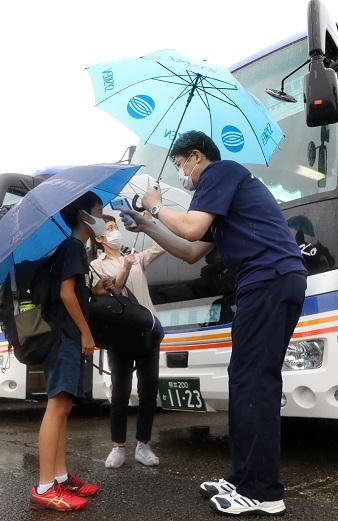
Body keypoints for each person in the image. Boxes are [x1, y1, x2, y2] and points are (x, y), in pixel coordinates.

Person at [124, 130, 307, 517]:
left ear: (195, 157)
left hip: (268, 278)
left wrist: (156, 207)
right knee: (244, 380)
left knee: (255, 381)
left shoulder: (220, 172)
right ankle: (241, 477)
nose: (181, 177)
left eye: (180, 167)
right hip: (265, 282)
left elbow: (189, 227)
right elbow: (191, 250)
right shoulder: (222, 194)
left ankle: (264, 491)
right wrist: (146, 226)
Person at [30, 191, 110, 512]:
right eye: (99, 212)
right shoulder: (74, 247)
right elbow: (65, 294)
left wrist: (93, 290)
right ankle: (45, 486)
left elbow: (72, 291)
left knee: (63, 408)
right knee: (57, 407)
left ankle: (60, 477)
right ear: (83, 216)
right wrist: (86, 333)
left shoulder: (70, 249)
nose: (103, 220)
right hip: (65, 337)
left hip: (63, 336)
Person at [90, 215, 165, 469]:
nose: (114, 232)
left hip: (148, 331)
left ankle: (143, 444)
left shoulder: (136, 257)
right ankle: (118, 446)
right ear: (99, 238)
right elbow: (112, 291)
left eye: (115, 227)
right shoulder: (95, 266)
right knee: (120, 391)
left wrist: (148, 222)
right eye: (109, 229)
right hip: (119, 334)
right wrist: (124, 268)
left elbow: (161, 245)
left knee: (149, 389)